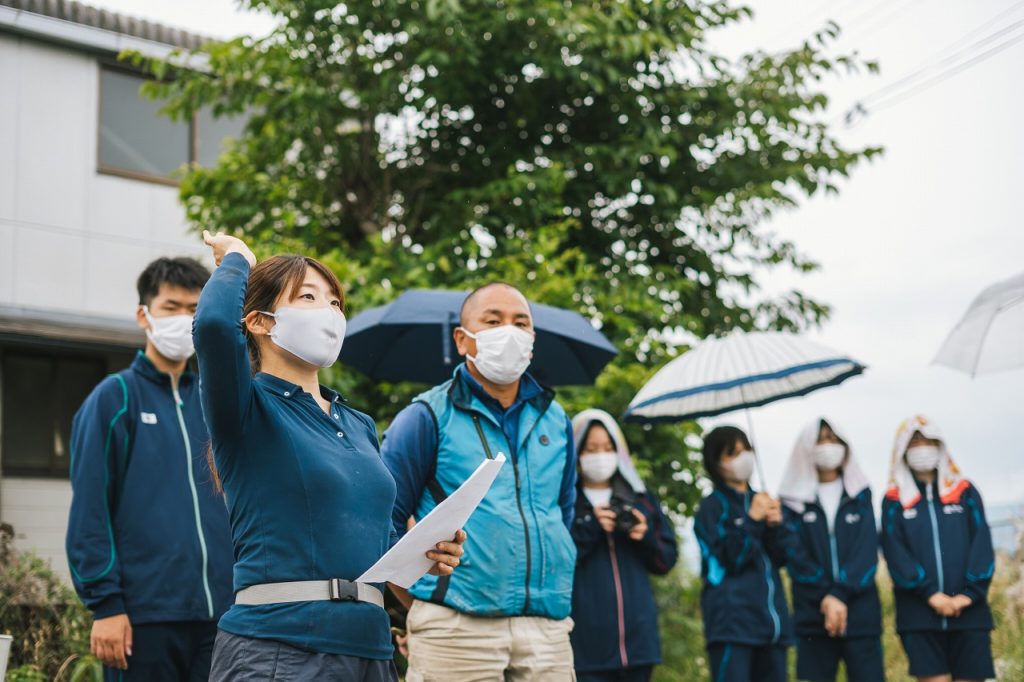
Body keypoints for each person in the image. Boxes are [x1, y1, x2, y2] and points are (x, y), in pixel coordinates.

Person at [195, 232, 464, 682]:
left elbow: (367, 546)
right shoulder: (246, 407)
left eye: (335, 303)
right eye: (308, 296)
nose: (330, 312)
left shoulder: (359, 423)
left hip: (370, 650)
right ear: (260, 322)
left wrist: (424, 552)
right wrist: (238, 259)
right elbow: (214, 328)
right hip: (278, 648)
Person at [380, 282, 578, 681]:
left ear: (532, 341)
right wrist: (419, 606)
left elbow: (564, 513)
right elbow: (380, 520)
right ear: (462, 339)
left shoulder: (557, 421)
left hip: (547, 629)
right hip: (455, 628)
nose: (509, 331)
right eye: (493, 321)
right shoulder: (425, 417)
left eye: (521, 323)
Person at [66, 257, 234, 681]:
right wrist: (106, 605)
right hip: (143, 619)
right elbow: (90, 509)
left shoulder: (214, 400)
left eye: (195, 310)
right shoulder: (114, 398)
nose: (184, 320)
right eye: (171, 307)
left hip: (223, 619)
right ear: (144, 315)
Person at [880, 415, 995, 682]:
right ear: (903, 450)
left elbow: (982, 544)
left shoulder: (965, 492)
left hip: (970, 613)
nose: (922, 448)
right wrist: (931, 594)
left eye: (927, 440)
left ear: (939, 444)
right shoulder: (894, 500)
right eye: (914, 442)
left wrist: (968, 595)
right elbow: (895, 553)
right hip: (920, 615)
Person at [569, 409, 678, 682]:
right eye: (591, 448)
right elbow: (559, 558)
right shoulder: (567, 502)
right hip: (585, 648)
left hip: (639, 643)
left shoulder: (640, 498)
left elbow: (666, 560)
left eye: (608, 447)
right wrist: (591, 526)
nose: (601, 455)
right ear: (576, 452)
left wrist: (645, 535)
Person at [777, 418, 884, 682]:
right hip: (812, 616)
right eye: (821, 439)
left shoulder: (860, 494)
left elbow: (866, 551)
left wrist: (840, 594)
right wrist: (826, 596)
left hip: (861, 616)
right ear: (807, 448)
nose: (828, 446)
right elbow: (794, 555)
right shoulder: (791, 502)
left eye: (834, 439)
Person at [693, 425, 793, 682]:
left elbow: (784, 556)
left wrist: (776, 525)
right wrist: (752, 520)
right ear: (716, 462)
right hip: (732, 631)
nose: (743, 457)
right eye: (732, 453)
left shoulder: (762, 500)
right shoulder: (711, 508)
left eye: (746, 449)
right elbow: (731, 559)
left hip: (772, 629)